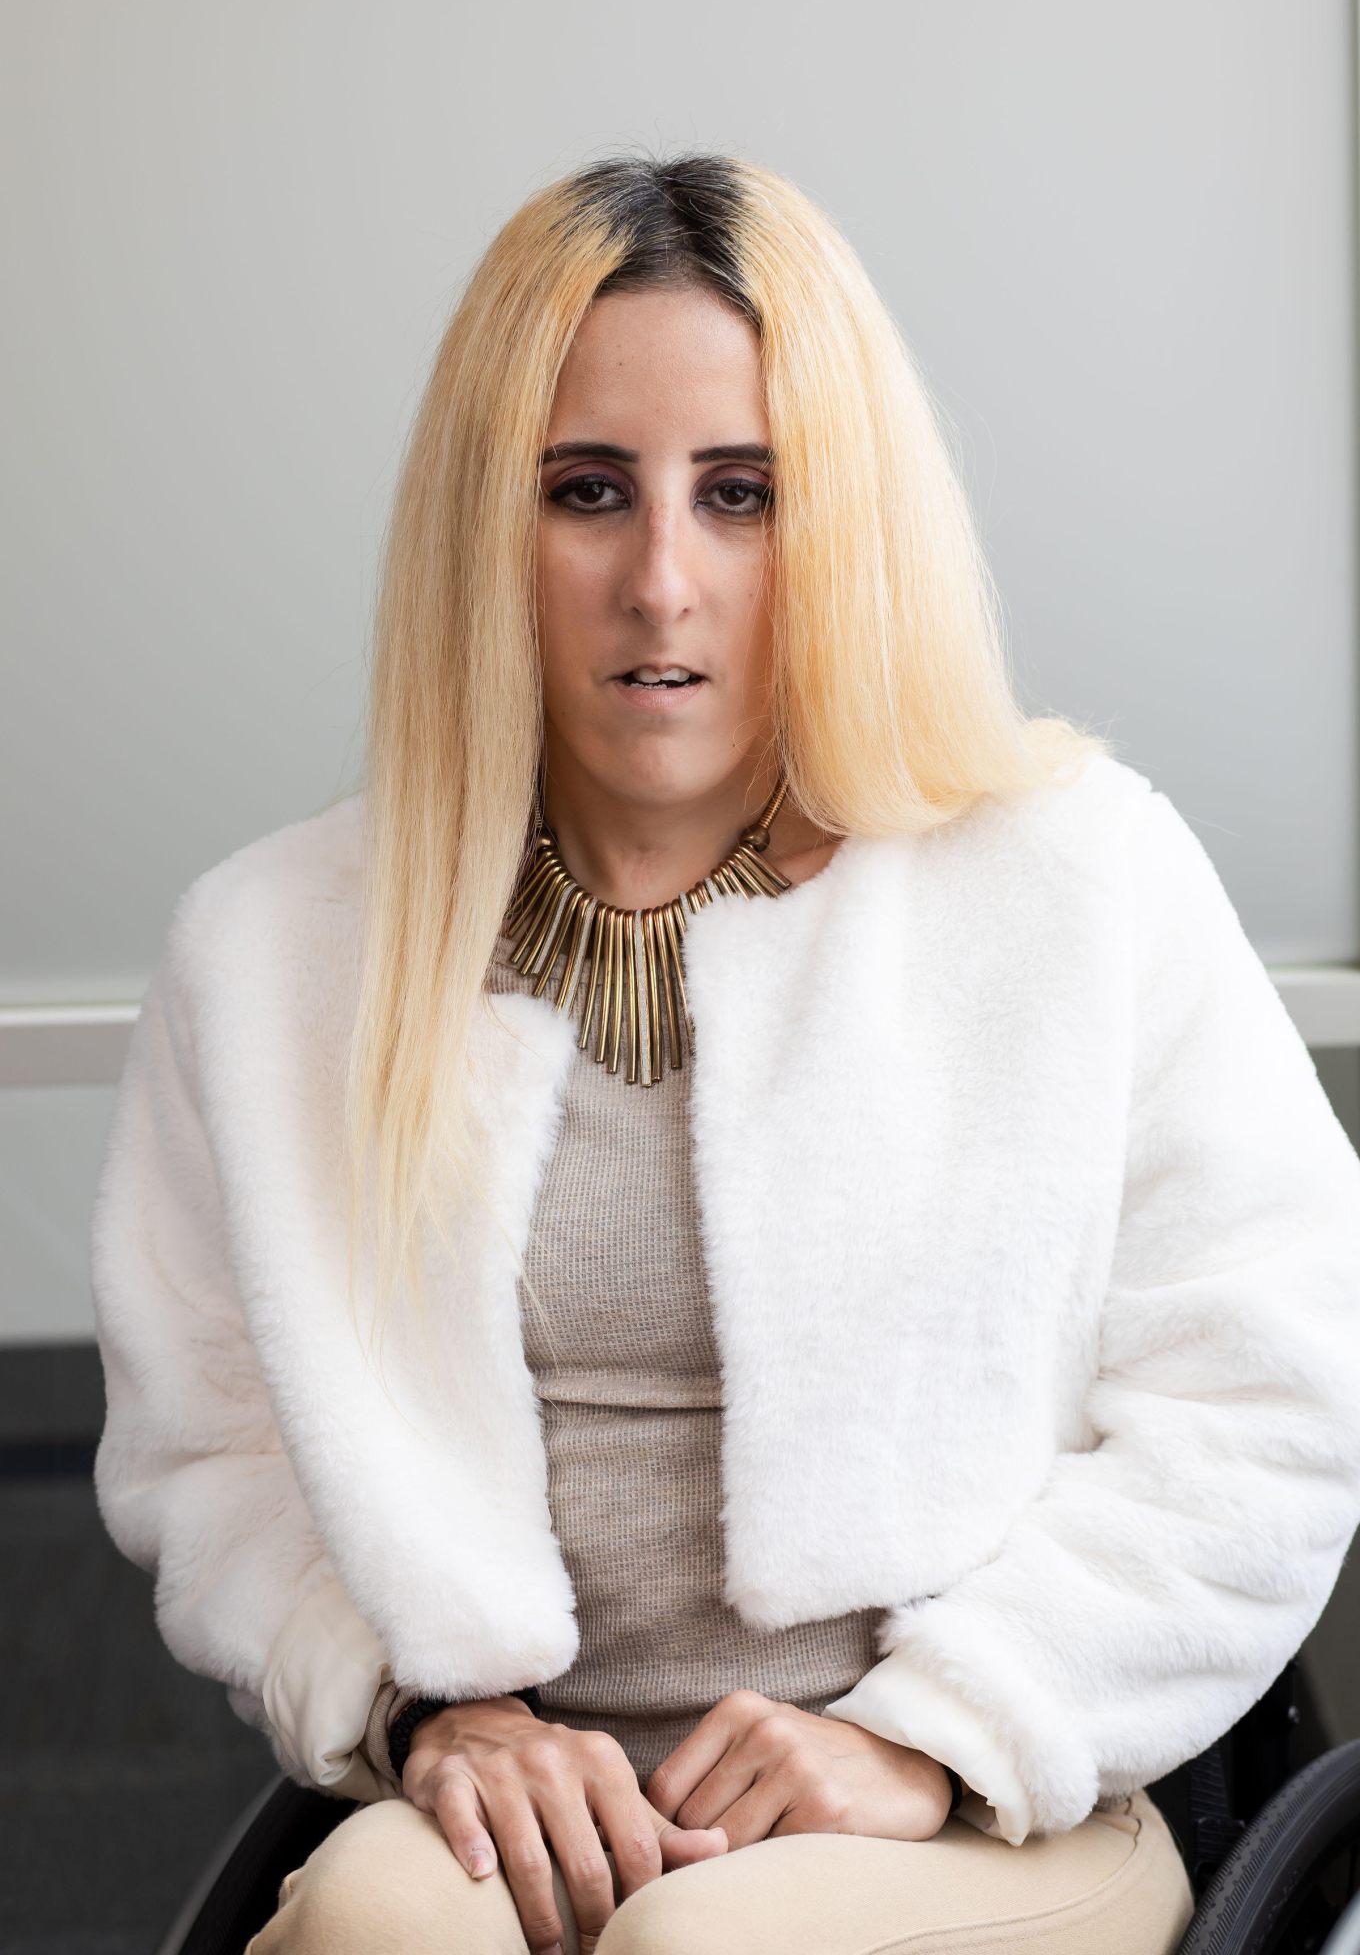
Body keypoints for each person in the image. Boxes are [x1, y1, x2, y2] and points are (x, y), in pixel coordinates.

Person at [88, 151, 1360, 1955]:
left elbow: (1276, 1397)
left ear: (840, 520)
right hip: (520, 1806)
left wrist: (938, 1735)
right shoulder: (273, 952)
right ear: (485, 527)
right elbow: (208, 1453)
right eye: (586, 491)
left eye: (744, 493)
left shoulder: (1081, 881)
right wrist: (433, 1715)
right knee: (377, 1930)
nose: (662, 580)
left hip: (980, 1796)